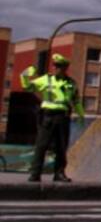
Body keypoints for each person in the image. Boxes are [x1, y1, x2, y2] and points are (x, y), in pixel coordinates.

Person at [20, 54, 85, 182]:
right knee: (41, 145)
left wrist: (81, 115)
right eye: (55, 66)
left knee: (61, 147)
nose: (56, 68)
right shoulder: (46, 79)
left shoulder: (71, 83)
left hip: (63, 117)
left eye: (59, 66)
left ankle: (59, 173)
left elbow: (76, 101)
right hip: (47, 116)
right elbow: (28, 87)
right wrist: (25, 75)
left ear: (65, 68)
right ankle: (35, 173)